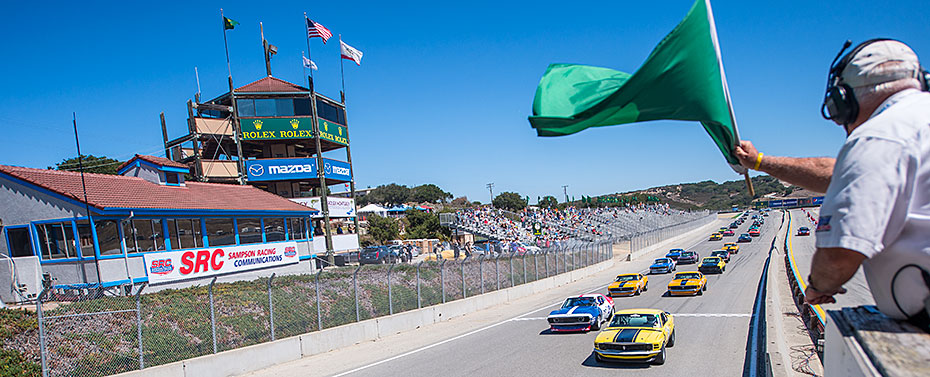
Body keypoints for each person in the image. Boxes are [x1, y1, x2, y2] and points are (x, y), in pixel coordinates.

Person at [734, 39, 930, 328]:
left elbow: (839, 254)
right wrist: (760, 161)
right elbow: (839, 172)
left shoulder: (879, 136)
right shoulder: (911, 127)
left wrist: (818, 286)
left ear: (844, 101)